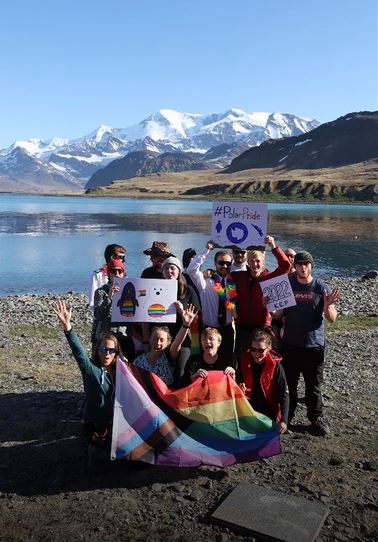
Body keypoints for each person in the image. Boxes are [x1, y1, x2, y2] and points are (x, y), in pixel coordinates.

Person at [273, 250, 340, 436]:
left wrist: (327, 305)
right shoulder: (287, 285)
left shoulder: (321, 287)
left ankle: (316, 419)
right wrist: (269, 305)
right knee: (289, 385)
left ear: (311, 266)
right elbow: (277, 315)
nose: (303, 267)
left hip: (313, 346)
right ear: (295, 266)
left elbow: (332, 318)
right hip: (291, 345)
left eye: (306, 264)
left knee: (313, 386)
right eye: (300, 264)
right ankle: (287, 419)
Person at [54, 299, 123, 452]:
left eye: (111, 351)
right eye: (103, 349)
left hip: (114, 423)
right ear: (97, 350)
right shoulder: (90, 370)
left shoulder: (122, 373)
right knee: (97, 459)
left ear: (116, 353)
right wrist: (68, 328)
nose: (107, 353)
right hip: (93, 423)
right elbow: (79, 353)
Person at [231, 235, 291, 366]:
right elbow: (222, 277)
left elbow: (286, 265)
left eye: (258, 261)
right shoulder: (238, 276)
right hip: (242, 328)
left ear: (263, 261)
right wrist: (209, 273)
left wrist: (273, 246)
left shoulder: (268, 278)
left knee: (261, 363)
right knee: (241, 362)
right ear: (247, 261)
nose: (255, 264)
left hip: (262, 328)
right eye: (251, 261)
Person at [142, 256, 201, 379]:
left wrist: (181, 311)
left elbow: (195, 319)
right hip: (158, 340)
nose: (169, 271)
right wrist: (146, 341)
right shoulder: (153, 289)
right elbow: (145, 318)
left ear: (179, 271)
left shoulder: (188, 290)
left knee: (180, 373)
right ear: (162, 272)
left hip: (182, 339)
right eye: (166, 268)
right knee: (157, 374)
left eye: (172, 268)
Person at [187, 242, 236, 364]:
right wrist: (206, 250)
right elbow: (191, 269)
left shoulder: (233, 283)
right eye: (221, 263)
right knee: (207, 363)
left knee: (226, 362)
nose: (224, 266)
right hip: (208, 330)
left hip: (227, 330)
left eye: (228, 263)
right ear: (215, 264)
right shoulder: (205, 281)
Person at [237, 327, 289, 434]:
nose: (256, 353)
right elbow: (235, 385)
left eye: (260, 350)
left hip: (269, 412)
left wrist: (284, 420)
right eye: (253, 349)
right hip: (248, 410)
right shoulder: (243, 362)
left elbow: (284, 394)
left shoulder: (276, 366)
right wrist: (238, 389)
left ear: (268, 348)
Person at [133, 304, 198, 386]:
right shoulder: (138, 360)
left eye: (162, 340)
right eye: (155, 339)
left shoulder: (168, 357)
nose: (158, 343)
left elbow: (177, 343)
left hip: (165, 395)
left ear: (168, 343)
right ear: (149, 339)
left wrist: (186, 324)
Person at [93, 258, 135, 361]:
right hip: (107, 337)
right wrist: (110, 297)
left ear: (123, 273)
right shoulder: (100, 292)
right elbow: (98, 315)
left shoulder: (131, 288)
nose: (116, 273)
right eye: (113, 271)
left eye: (119, 271)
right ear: (108, 274)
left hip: (124, 336)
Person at [88, 243, 126, 312]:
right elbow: (93, 301)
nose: (124, 261)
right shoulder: (98, 274)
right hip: (104, 313)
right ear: (112, 257)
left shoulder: (122, 273)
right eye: (121, 258)